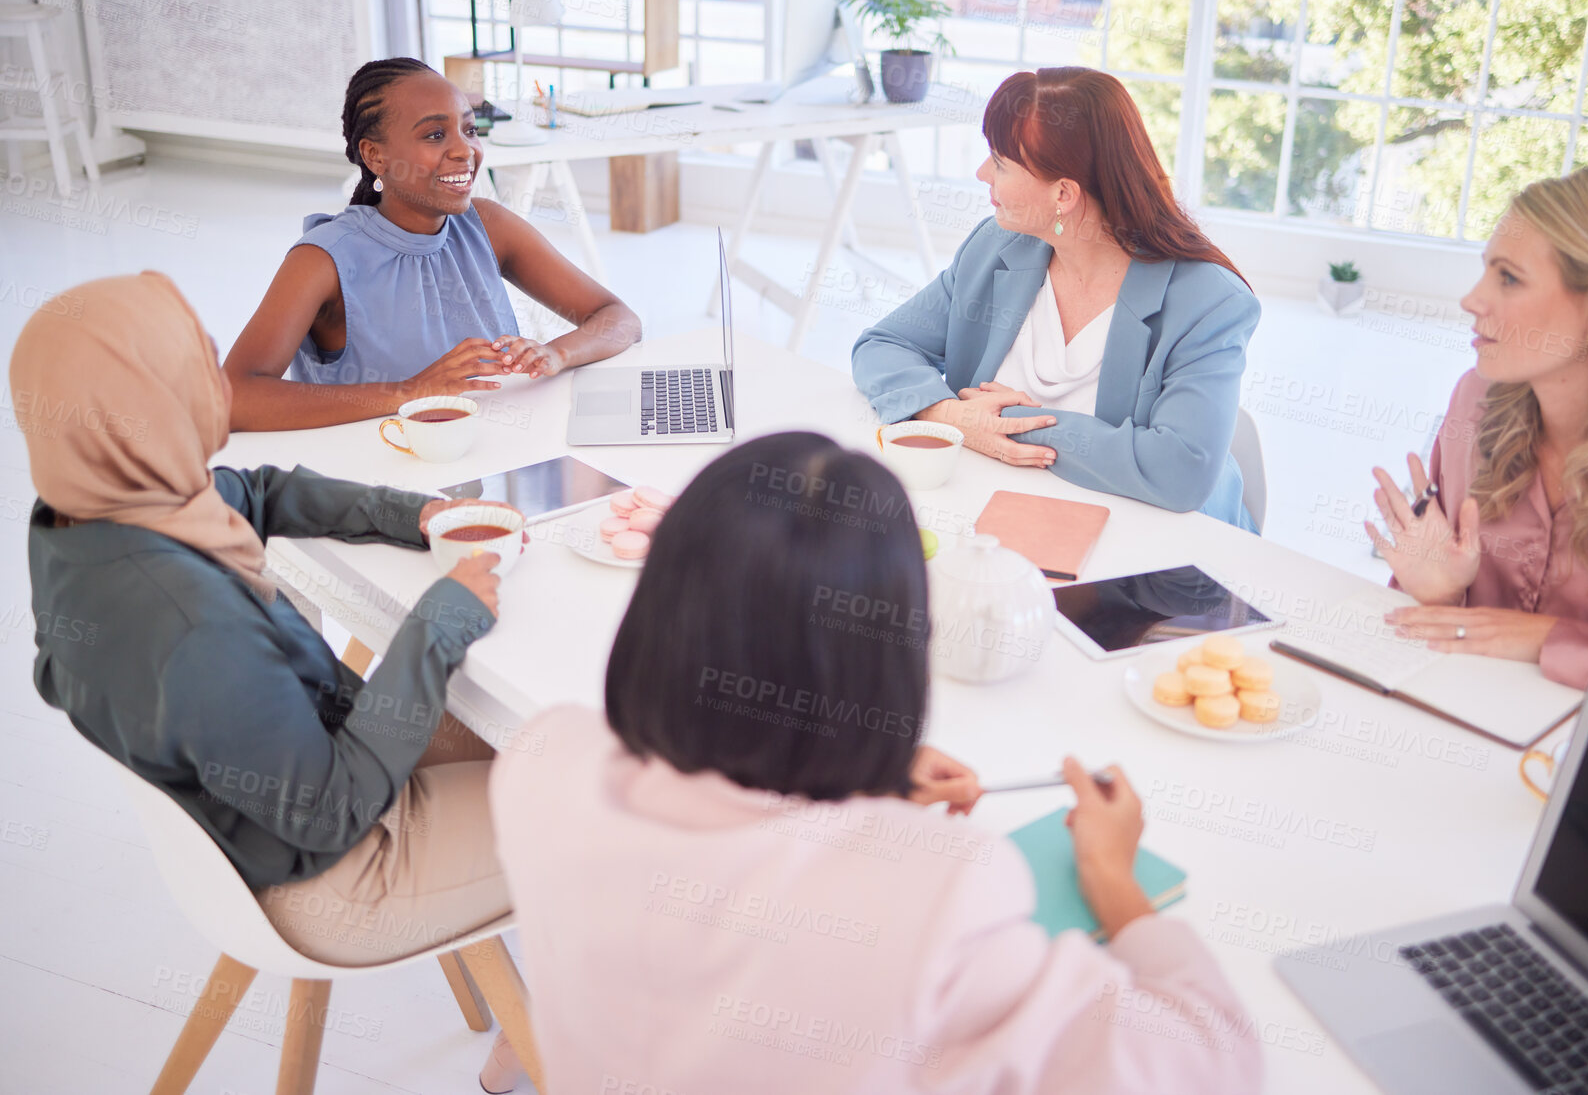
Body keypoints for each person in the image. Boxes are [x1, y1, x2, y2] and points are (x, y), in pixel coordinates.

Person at [489, 432, 1261, 1095]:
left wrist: (852, 785)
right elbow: (1212, 1061)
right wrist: (1117, 885)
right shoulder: (939, 890)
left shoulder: (542, 759)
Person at [16, 272, 527, 1075]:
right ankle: (563, 1034)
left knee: (528, 726)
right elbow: (332, 811)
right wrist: (442, 615)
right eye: (196, 368)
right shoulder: (190, 627)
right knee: (610, 799)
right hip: (341, 872)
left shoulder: (84, 511)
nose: (217, 387)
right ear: (145, 405)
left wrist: (410, 513)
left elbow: (250, 491)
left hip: (270, 811)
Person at [1368, 164, 1588, 736]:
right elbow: (1447, 633)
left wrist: (1555, 641)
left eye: (1508, 278)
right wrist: (1441, 593)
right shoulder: (1475, 404)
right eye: (1485, 271)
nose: (1472, 299)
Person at [853, 67, 1260, 529]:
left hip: (1162, 556)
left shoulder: (1210, 303)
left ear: (1063, 193)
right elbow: (881, 347)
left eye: (1001, 163)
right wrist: (946, 413)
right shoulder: (997, 247)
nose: (982, 173)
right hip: (999, 516)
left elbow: (1181, 470)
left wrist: (1007, 419)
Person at [224, 57, 642, 431]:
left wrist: (557, 354)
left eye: (468, 129)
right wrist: (411, 391)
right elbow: (234, 396)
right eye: (435, 135)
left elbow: (619, 318)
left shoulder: (488, 225)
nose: (465, 150)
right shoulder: (322, 260)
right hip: (369, 485)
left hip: (481, 458)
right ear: (375, 156)